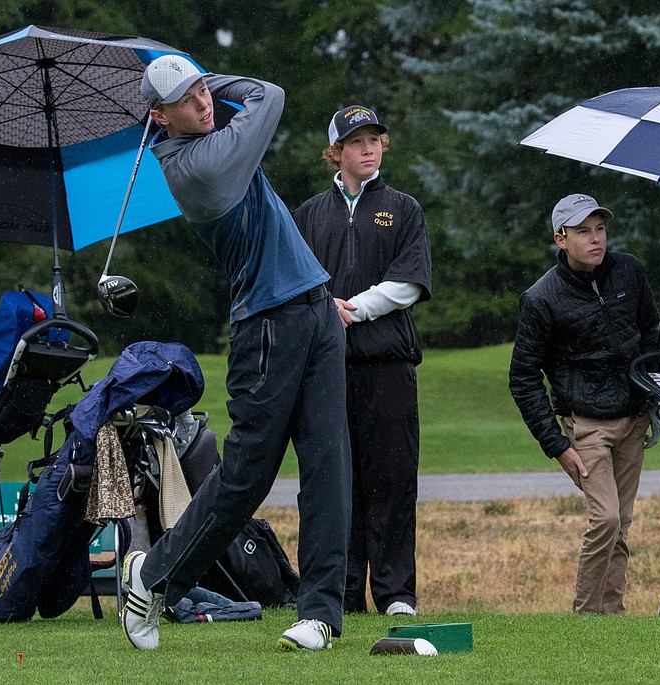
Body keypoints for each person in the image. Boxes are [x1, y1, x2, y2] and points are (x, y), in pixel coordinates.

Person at [119, 54, 351, 651]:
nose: (203, 103)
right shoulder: (200, 166)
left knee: (329, 464)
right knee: (248, 475)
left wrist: (194, 80)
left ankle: (320, 613)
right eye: (187, 100)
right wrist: (215, 82)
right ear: (159, 118)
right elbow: (269, 92)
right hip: (268, 325)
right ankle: (153, 575)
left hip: (316, 307)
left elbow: (243, 100)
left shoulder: (207, 135)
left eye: (203, 91)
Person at [292, 106, 432, 617]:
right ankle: (342, 594)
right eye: (356, 142)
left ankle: (396, 594)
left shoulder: (403, 208)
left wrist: (353, 309)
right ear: (336, 153)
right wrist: (324, 307)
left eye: (375, 139)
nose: (368, 148)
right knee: (335, 484)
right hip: (328, 370)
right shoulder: (309, 214)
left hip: (390, 366)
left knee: (393, 480)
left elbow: (410, 282)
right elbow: (296, 281)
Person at [508, 193, 660, 614]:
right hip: (586, 424)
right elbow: (522, 378)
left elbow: (650, 329)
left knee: (622, 524)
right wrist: (556, 445)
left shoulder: (628, 270)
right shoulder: (541, 298)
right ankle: (586, 614)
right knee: (607, 518)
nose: (596, 239)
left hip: (633, 416)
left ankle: (612, 614)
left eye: (599, 229)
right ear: (561, 239)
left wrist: (650, 382)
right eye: (583, 232)